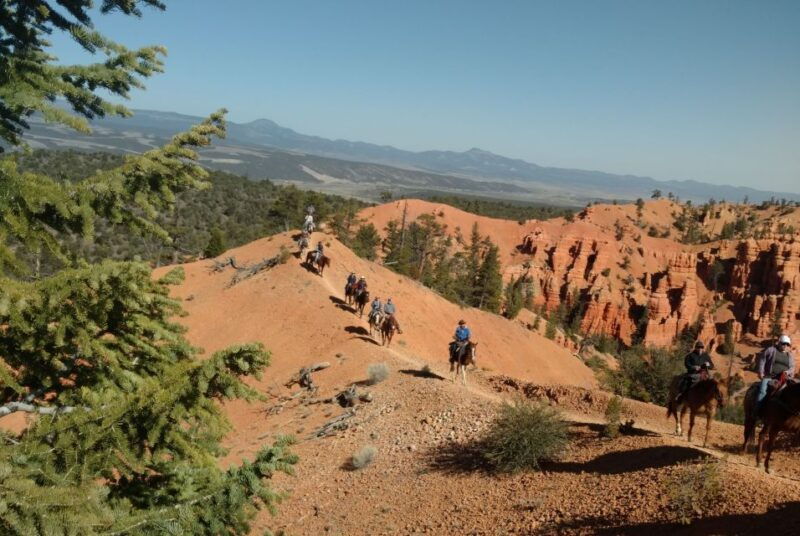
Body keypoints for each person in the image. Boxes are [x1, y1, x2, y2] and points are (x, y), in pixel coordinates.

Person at [756, 334, 795, 410]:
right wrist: (761, 372)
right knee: (763, 391)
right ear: (779, 343)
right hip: (769, 377)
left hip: (784, 379)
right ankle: (757, 411)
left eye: (787, 344)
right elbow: (763, 359)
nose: (785, 346)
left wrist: (787, 372)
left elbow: (792, 367)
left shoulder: (789, 356)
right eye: (783, 343)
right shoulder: (771, 350)